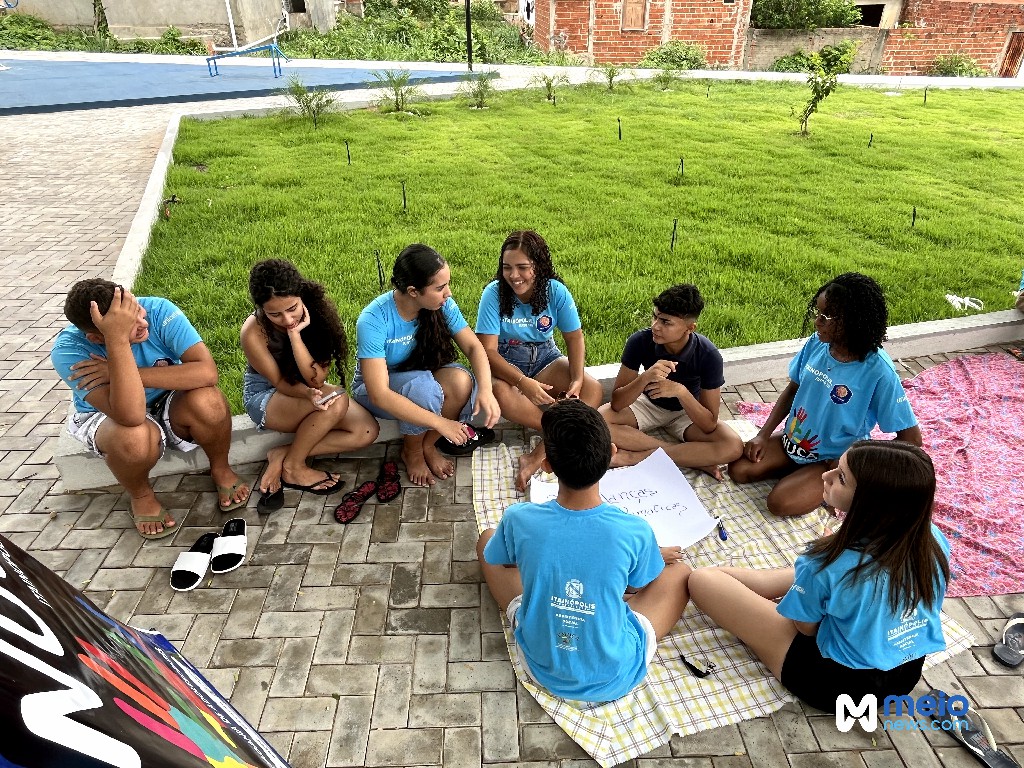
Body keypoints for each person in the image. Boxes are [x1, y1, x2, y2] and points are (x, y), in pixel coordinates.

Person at [689, 440, 950, 714]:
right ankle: (808, 589)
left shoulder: (824, 563)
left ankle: (804, 590)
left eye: (841, 477)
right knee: (824, 579)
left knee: (703, 580)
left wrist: (820, 569)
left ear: (868, 502)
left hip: (834, 685)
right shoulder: (933, 540)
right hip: (903, 676)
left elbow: (806, 628)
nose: (825, 476)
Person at [477, 399, 691, 703]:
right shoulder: (635, 531)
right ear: (612, 455)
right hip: (615, 671)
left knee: (487, 538)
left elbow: (502, 561)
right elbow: (637, 584)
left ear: (547, 465)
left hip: (541, 665)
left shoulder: (519, 518)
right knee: (680, 572)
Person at [51, 280, 250, 539]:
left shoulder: (159, 310)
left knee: (210, 403)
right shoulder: (70, 351)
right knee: (133, 437)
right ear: (97, 338)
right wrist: (118, 344)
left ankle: (221, 468)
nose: (144, 323)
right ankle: (141, 495)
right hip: (111, 416)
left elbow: (207, 372)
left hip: (169, 396)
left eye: (138, 312)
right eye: (130, 326)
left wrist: (115, 371)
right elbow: (130, 416)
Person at [729, 272, 922, 517]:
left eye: (827, 317)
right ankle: (798, 473)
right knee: (739, 470)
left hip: (830, 459)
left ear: (854, 320)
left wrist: (852, 463)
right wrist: (763, 435)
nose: (817, 322)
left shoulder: (878, 371)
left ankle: (819, 481)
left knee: (779, 503)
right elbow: (793, 388)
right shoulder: (817, 343)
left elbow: (912, 438)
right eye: (817, 313)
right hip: (793, 442)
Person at [352, 244, 500, 487]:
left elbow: (474, 348)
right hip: (374, 391)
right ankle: (412, 452)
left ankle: (428, 445)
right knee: (422, 388)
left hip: (419, 379)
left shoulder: (441, 306)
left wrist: (485, 389)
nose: (448, 293)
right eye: (440, 288)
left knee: (460, 381)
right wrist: (441, 423)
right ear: (413, 291)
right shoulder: (373, 319)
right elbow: (379, 394)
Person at [241, 260, 379, 509]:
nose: (286, 318)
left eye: (292, 308)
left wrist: (295, 336)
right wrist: (308, 394)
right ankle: (294, 468)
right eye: (275, 314)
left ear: (301, 295)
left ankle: (284, 453)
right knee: (336, 401)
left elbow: (316, 379)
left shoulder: (319, 314)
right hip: (266, 396)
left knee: (366, 431)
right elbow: (281, 383)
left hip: (306, 388)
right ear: (261, 309)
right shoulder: (253, 332)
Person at [475, 230, 603, 491]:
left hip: (545, 357)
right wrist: (522, 382)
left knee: (593, 389)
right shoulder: (494, 294)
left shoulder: (555, 291)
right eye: (507, 267)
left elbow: (574, 338)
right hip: (506, 361)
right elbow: (487, 352)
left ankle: (535, 456)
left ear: (539, 266)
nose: (514, 275)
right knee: (500, 391)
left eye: (523, 267)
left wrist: (577, 379)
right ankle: (561, 433)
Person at [599, 284, 742, 478]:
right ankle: (685, 456)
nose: (655, 326)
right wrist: (646, 377)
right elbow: (617, 403)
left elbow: (709, 424)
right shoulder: (640, 341)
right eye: (655, 316)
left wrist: (680, 391)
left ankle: (633, 458)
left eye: (666, 322)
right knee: (598, 420)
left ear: (690, 328)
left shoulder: (708, 355)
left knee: (733, 446)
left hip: (686, 412)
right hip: (648, 404)